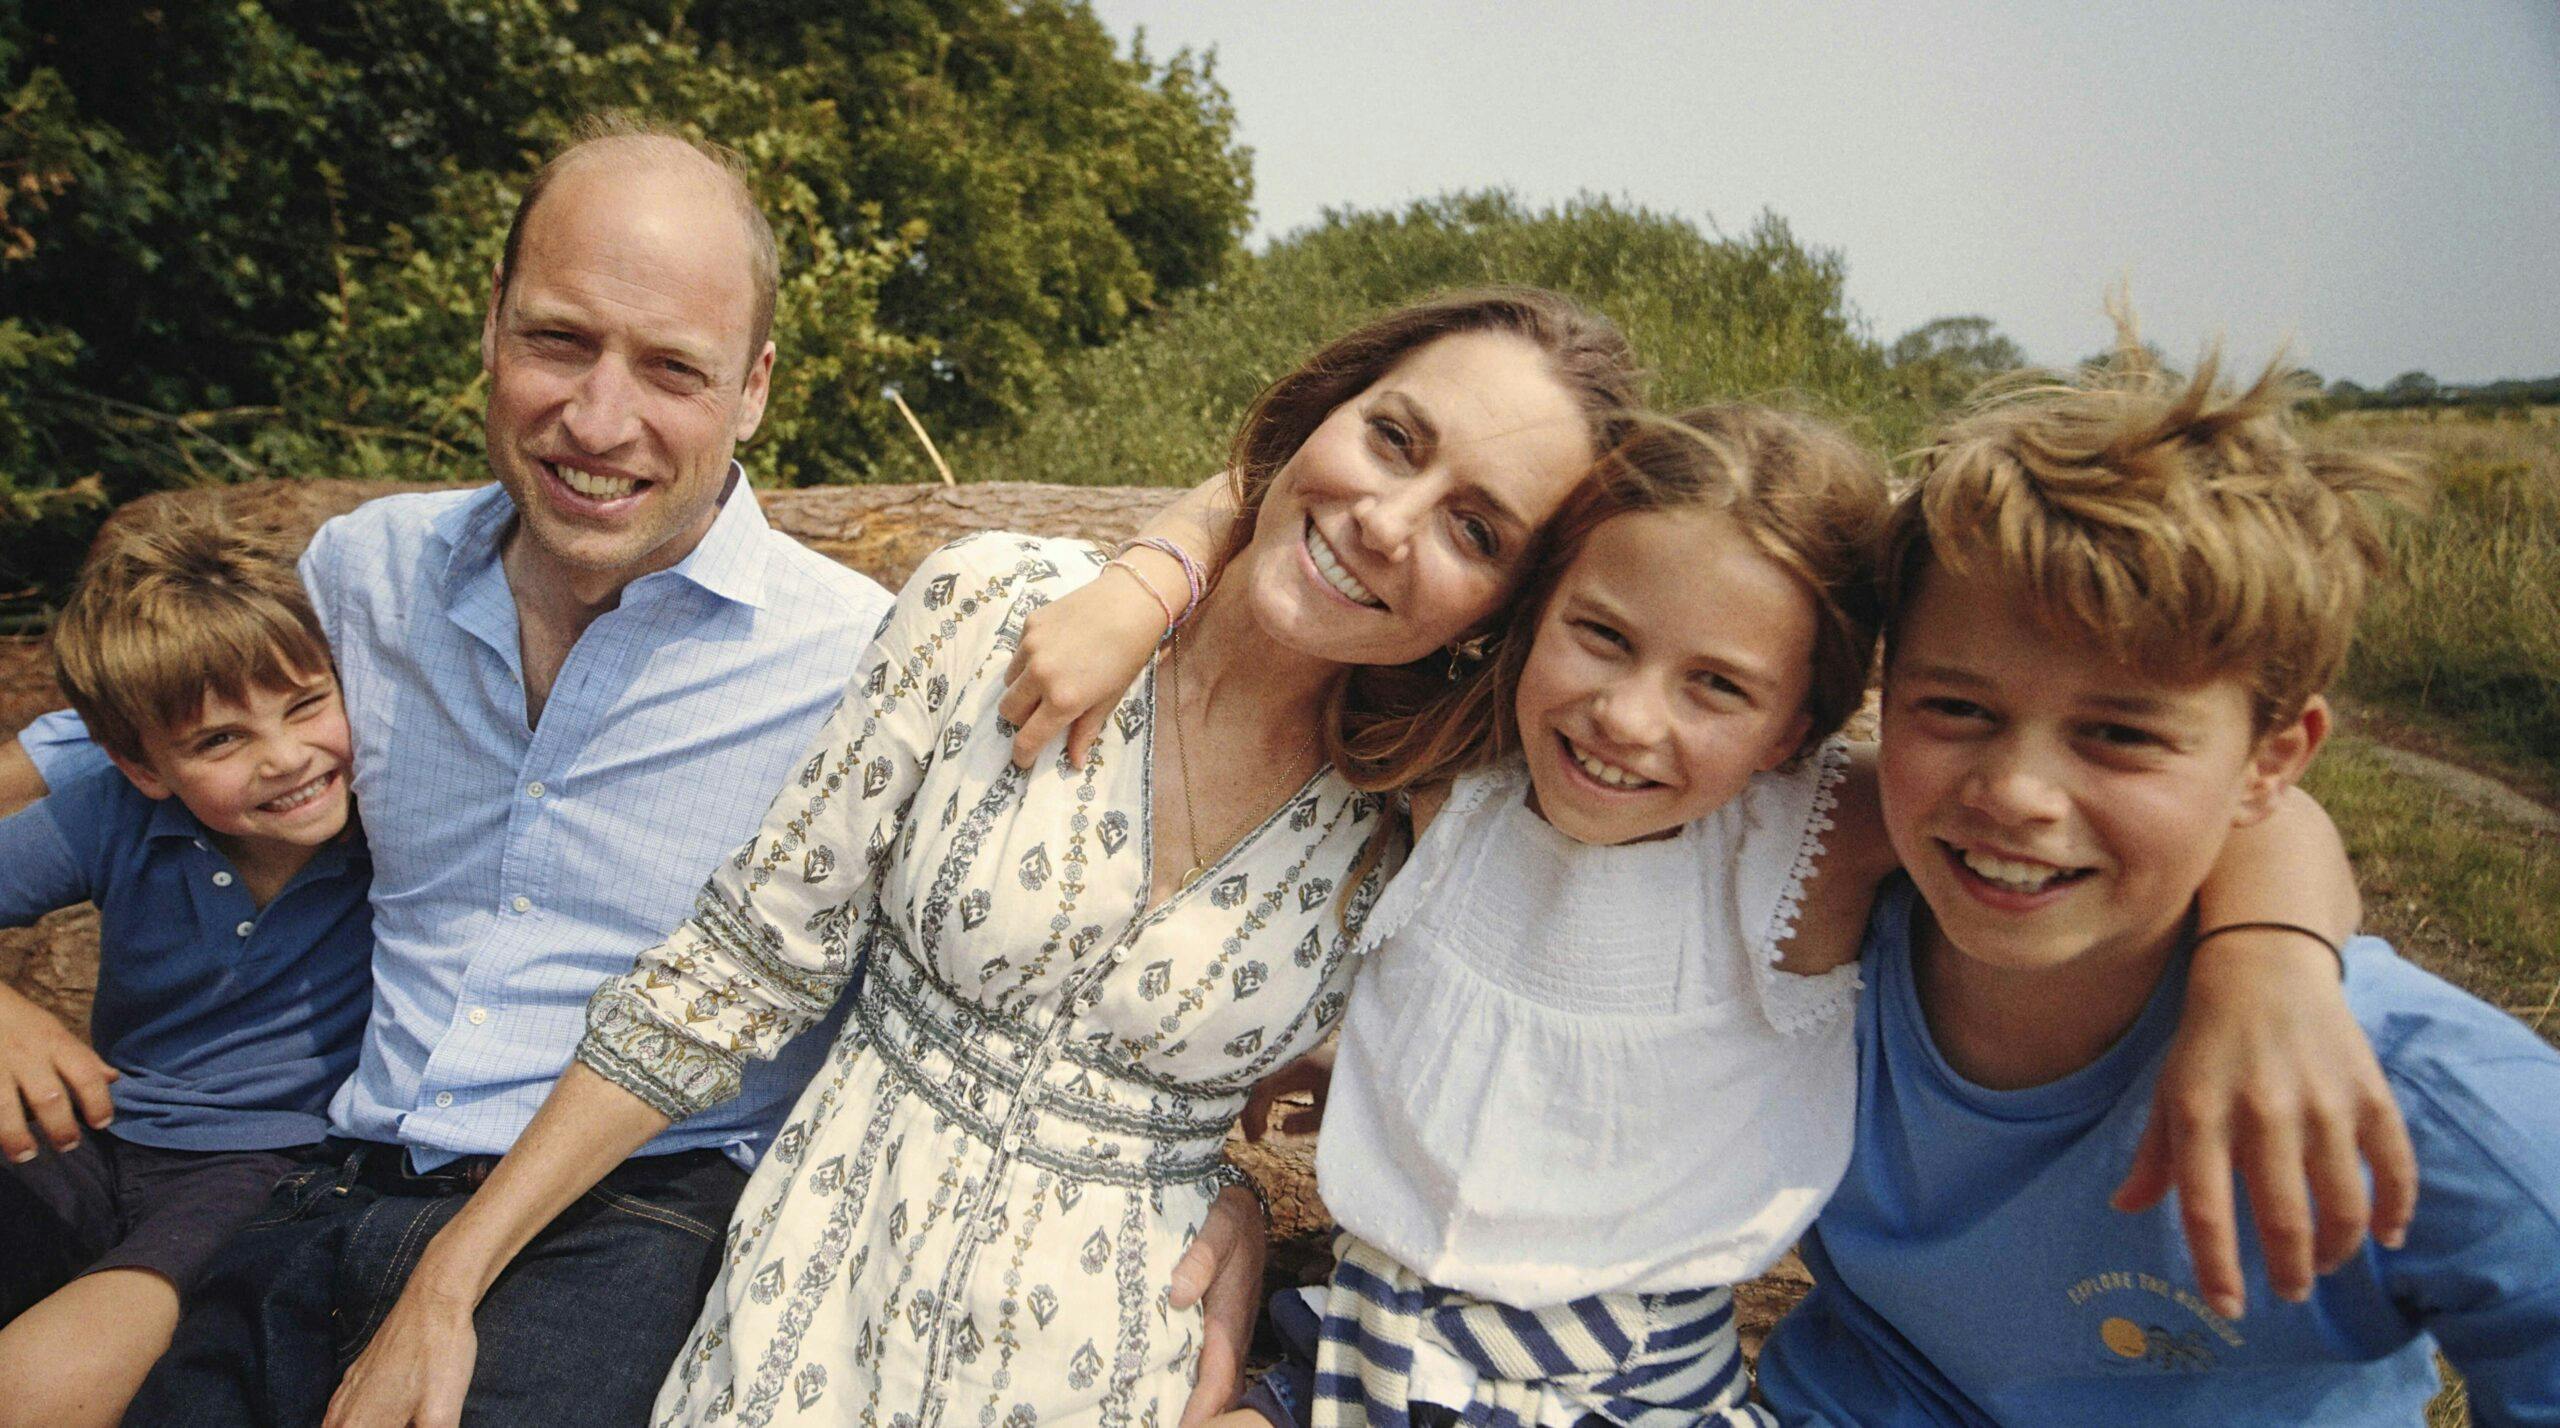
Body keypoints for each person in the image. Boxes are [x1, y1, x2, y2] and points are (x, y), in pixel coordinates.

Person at [321, 287, 1646, 1427]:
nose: (1388, 520)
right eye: (1392, 439)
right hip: (812, 1315)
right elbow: (736, 971)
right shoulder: (1002, 607)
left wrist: (1236, 1207)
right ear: (1321, 415)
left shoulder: (1415, 832)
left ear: (1502, 610)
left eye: (1475, 529)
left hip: (1120, 1364)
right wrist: (451, 1276)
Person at [5, 116, 928, 1424]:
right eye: (559, 339)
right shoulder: (359, 581)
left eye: (672, 367)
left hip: (639, 1210)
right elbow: (105, 757)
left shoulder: (859, 663)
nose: (598, 419)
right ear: (491, 323)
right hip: (329, 1182)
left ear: (756, 387)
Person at [1754, 332, 2560, 1422]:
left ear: (2271, 760)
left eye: (2119, 735)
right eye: (1955, 708)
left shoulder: (2412, 1101)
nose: (2017, 791)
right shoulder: (1811, 926)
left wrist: (2268, 957)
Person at [0, 508, 374, 1428]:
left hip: (265, 1169)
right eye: (220, 740)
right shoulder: (109, 813)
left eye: (305, 706)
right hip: (97, 1129)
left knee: (40, 1384)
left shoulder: (396, 819)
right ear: (141, 766)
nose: (286, 758)